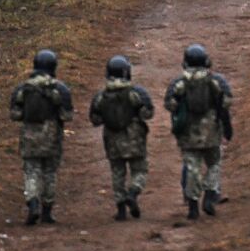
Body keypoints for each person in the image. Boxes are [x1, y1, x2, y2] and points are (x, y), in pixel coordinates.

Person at [165, 44, 233, 220]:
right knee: (214, 164)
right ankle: (210, 194)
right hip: (211, 131)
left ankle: (193, 205)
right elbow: (226, 102)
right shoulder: (215, 80)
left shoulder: (179, 83)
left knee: (192, 168)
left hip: (188, 133)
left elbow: (169, 104)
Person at [9, 49, 74, 226]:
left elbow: (14, 114)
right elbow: (67, 116)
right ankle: (47, 211)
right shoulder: (60, 89)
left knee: (31, 171)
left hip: (29, 134)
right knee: (50, 173)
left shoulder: (23, 88)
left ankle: (33, 203)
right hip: (52, 136)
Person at [89, 54, 154, 221]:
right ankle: (133, 193)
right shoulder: (135, 93)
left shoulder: (101, 96)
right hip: (134, 138)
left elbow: (95, 120)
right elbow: (148, 114)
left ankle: (120, 209)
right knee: (139, 170)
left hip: (112, 140)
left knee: (117, 173)